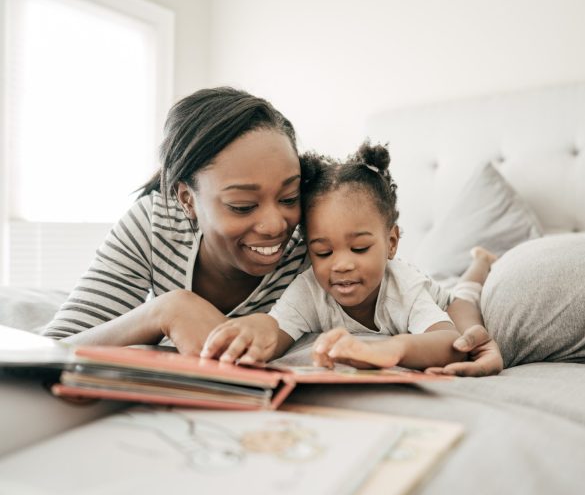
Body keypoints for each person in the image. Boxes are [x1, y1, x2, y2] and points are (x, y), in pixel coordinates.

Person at [43, 87, 501, 376]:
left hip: (434, 288)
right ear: (186, 199)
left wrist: (466, 334)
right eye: (242, 204)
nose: (275, 225)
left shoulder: (317, 244)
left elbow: (406, 307)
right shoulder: (152, 225)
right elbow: (46, 352)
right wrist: (163, 311)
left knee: (460, 285)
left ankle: (480, 262)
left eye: (289, 197)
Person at [200, 141, 503, 374]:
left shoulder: (404, 287)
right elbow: (276, 331)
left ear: (392, 242)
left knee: (465, 300)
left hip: (443, 299)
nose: (342, 264)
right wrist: (253, 330)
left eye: (359, 249)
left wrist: (392, 349)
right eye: (323, 252)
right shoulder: (309, 290)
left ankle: (481, 262)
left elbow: (447, 342)